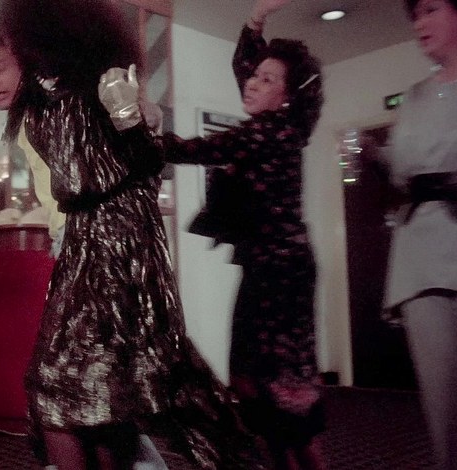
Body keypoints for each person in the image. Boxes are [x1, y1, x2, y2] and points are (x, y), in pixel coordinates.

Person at [0, 1, 267, 468]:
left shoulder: (98, 87)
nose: (14, 54)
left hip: (121, 245)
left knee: (90, 384)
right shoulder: (43, 107)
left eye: (16, 42)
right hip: (85, 244)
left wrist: (135, 119)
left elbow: (124, 170)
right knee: (88, 390)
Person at [0, 30, 170, 469]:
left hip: (101, 247)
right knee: (85, 388)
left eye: (0, 68)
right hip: (74, 246)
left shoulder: (58, 103)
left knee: (65, 387)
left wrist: (142, 112)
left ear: (27, 61)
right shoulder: (26, 118)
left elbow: (129, 153)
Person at [152, 1, 326, 468]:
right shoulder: (285, 128)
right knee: (261, 385)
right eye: (255, 75)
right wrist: (255, 20)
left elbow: (191, 149)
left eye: (267, 80)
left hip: (279, 276)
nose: (252, 82)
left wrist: (136, 127)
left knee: (276, 389)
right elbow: (249, 71)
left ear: (286, 97)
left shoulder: (268, 135)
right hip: (275, 267)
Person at [368, 1, 457, 468]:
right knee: (442, 407)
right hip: (420, 258)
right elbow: (404, 173)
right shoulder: (414, 97)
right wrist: (375, 156)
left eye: (429, 10)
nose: (420, 24)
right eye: (415, 16)